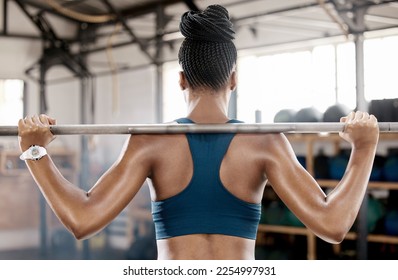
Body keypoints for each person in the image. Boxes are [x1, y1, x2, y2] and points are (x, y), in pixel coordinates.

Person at [18, 5, 379, 260]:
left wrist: (36, 152)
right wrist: (363, 149)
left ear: (181, 79)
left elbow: (83, 220)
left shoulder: (150, 141)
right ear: (234, 79)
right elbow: (333, 225)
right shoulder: (265, 142)